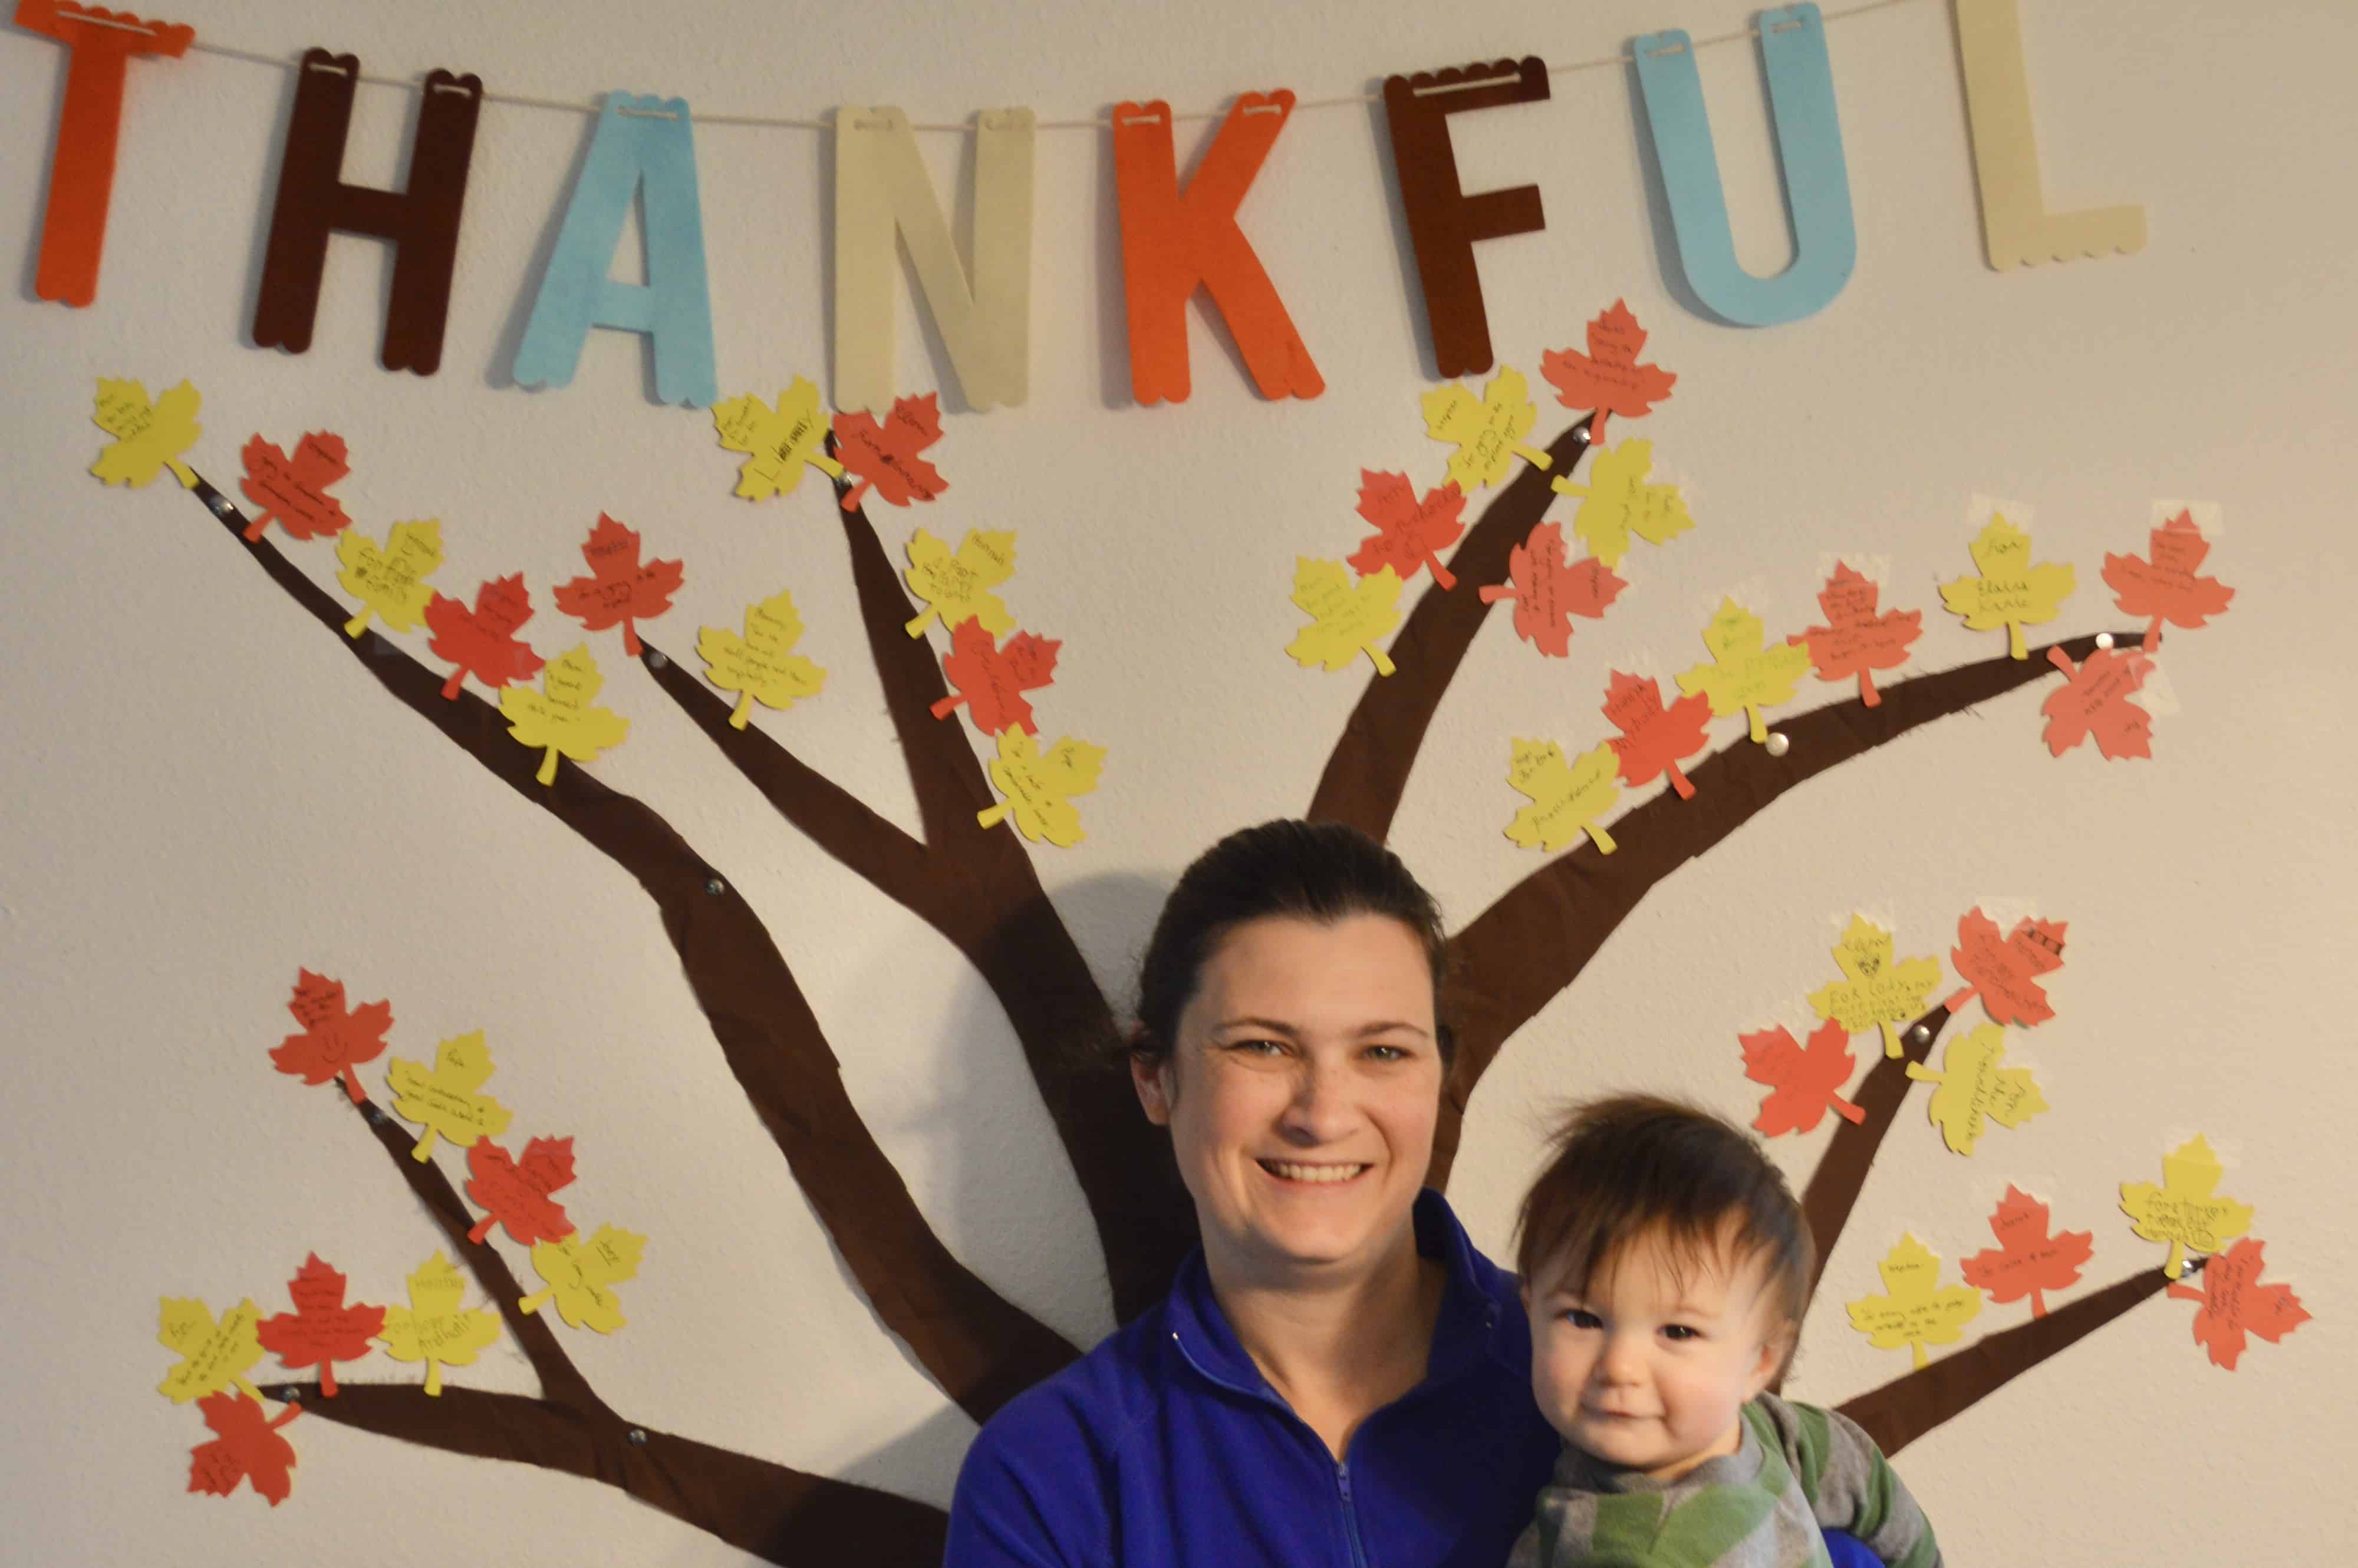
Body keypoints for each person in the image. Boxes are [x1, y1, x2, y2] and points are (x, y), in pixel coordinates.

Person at [944, 820, 1875, 1568]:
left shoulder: (1616, 1375)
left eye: (1383, 1051)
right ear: (1156, 1077)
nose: (1322, 1112)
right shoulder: (1051, 1476)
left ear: (1439, 1078)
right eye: (1263, 1046)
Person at [1509, 1095, 1938, 1568]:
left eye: (1677, 1331)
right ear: (1531, 1315)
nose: (1619, 1367)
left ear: (1760, 1361)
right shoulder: (1768, 1431)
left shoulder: (1630, 1549)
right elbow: (1865, 1476)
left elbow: (1869, 1486)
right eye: (1584, 1319)